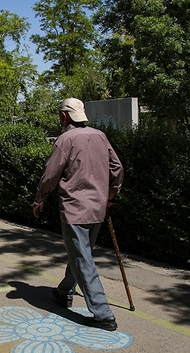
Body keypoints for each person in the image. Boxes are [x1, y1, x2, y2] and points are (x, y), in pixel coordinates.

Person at [32, 98, 124, 331]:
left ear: (65, 116)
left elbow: (51, 175)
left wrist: (39, 198)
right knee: (80, 254)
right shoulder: (100, 136)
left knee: (82, 259)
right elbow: (117, 168)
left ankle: (103, 314)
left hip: (75, 210)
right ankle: (64, 293)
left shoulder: (66, 139)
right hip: (98, 208)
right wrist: (111, 194)